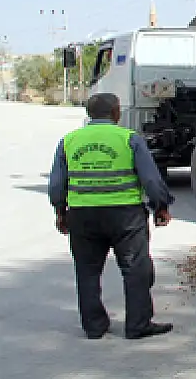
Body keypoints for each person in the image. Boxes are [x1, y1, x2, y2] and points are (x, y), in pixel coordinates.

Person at [48, 92, 176, 340]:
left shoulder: (69, 141)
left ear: (89, 114)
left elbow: (56, 185)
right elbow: (150, 178)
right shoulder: (129, 139)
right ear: (116, 113)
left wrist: (60, 211)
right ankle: (138, 325)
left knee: (87, 271)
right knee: (135, 269)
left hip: (82, 216)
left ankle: (94, 327)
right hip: (125, 216)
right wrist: (160, 206)